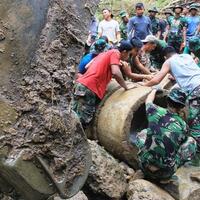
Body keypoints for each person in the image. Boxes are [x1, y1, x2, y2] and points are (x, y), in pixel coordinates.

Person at [142, 46, 200, 150]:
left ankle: (196, 150)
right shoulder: (186, 56)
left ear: (165, 57)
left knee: (194, 122)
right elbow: (188, 71)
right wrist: (175, 75)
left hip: (195, 90)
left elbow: (156, 80)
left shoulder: (168, 62)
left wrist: (144, 86)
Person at [135, 87, 197, 180]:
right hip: (165, 173)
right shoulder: (183, 126)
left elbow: (148, 100)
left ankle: (148, 161)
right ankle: (167, 175)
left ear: (167, 100)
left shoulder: (154, 110)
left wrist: (154, 90)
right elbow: (180, 142)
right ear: (181, 107)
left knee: (143, 133)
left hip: (143, 165)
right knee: (191, 142)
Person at [72, 40, 133, 128]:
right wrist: (125, 86)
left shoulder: (104, 53)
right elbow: (115, 72)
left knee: (74, 116)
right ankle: (75, 141)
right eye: (129, 54)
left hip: (81, 84)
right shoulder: (115, 53)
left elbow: (87, 66)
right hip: (89, 87)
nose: (128, 57)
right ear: (124, 52)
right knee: (83, 121)